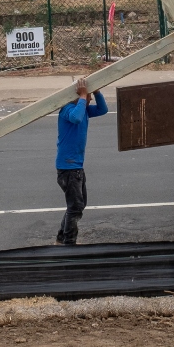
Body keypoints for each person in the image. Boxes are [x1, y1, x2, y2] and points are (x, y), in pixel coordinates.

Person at [54, 77, 107, 245]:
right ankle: (68, 242)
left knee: (79, 204)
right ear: (75, 95)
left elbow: (103, 109)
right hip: (68, 167)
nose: (89, 98)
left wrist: (96, 92)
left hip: (75, 166)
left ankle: (62, 237)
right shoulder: (68, 109)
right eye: (86, 95)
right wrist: (83, 96)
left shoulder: (82, 110)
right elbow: (75, 118)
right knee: (75, 206)